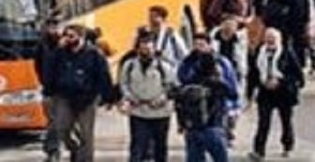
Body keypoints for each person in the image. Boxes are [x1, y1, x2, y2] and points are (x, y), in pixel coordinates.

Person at [41, 23, 115, 162]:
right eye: (66, 36)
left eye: (71, 36)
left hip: (87, 99)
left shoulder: (94, 54)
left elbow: (104, 76)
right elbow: (49, 71)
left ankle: (85, 158)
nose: (67, 39)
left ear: (81, 37)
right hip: (64, 97)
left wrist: (109, 98)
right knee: (62, 128)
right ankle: (74, 148)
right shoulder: (59, 53)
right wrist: (48, 92)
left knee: (87, 134)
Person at [246, 28, 304, 161]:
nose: (270, 40)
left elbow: (297, 76)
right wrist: (250, 94)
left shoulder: (287, 53)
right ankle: (259, 151)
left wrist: (280, 81)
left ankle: (287, 145)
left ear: (279, 40)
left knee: (286, 121)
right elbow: (253, 74)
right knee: (263, 122)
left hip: (284, 92)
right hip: (265, 92)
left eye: (273, 38)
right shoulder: (259, 53)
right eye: (268, 37)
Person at [119, 32, 176, 162]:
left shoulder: (164, 66)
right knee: (137, 147)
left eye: (149, 49)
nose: (146, 52)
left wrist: (161, 99)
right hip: (138, 112)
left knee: (160, 148)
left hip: (160, 113)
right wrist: (129, 97)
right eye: (143, 48)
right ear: (138, 49)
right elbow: (123, 83)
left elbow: (171, 86)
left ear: (154, 49)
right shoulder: (129, 65)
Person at [175, 51, 236, 162]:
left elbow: (179, 94)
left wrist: (181, 124)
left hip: (193, 129)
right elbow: (233, 94)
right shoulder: (217, 84)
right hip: (214, 127)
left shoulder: (192, 81)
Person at [33, 17, 64, 162]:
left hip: (65, 90)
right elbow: (38, 65)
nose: (53, 30)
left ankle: (59, 148)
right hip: (50, 89)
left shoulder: (66, 44)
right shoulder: (42, 45)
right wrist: (43, 81)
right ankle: (53, 149)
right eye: (50, 27)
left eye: (55, 27)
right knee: (53, 121)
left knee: (63, 122)